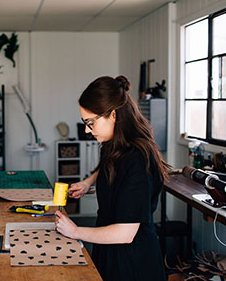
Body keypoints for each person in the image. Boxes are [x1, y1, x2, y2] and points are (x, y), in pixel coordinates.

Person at [55, 75, 170, 281]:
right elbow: (112, 165)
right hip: (108, 249)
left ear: (113, 115)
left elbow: (125, 233)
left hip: (132, 262)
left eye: (90, 122)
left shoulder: (138, 159)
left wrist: (75, 231)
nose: (87, 130)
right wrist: (88, 182)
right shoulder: (115, 144)